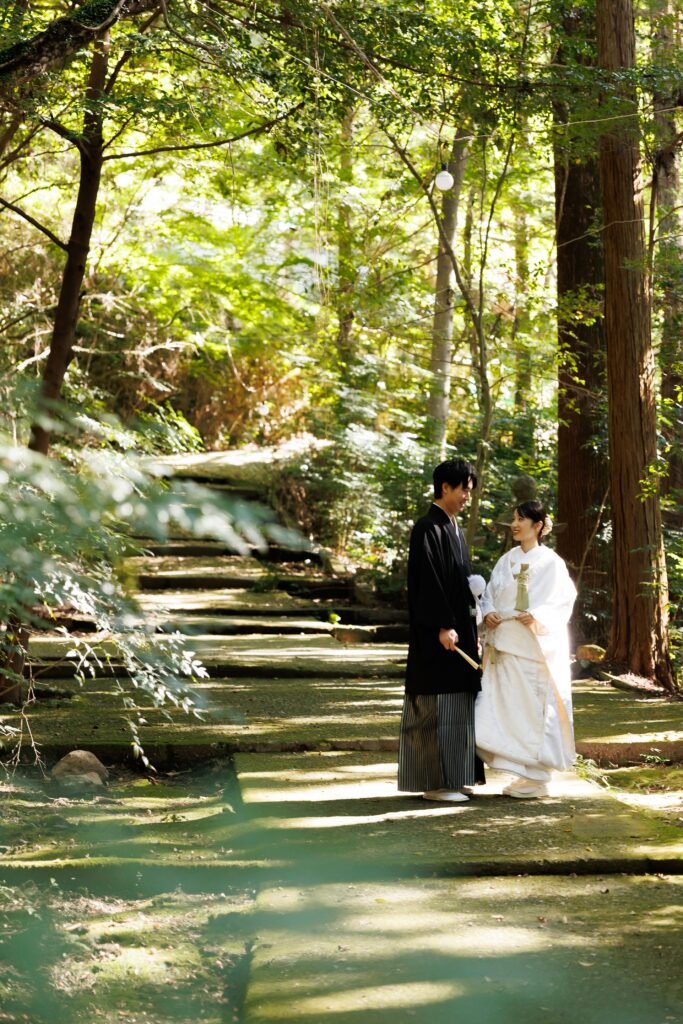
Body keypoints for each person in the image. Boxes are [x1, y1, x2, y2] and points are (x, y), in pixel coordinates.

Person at [475, 500, 577, 799]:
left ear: (539, 526)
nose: (515, 524)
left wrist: (538, 616)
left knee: (532, 710)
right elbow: (490, 594)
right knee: (505, 707)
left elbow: (563, 600)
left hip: (534, 648)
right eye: (514, 518)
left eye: (522, 519)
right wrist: (490, 611)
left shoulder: (552, 562)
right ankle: (522, 772)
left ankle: (537, 775)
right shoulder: (506, 559)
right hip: (505, 643)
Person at [397, 458, 484, 803]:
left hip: (459, 633)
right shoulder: (427, 528)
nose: (467, 496)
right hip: (438, 637)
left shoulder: (454, 528)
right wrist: (443, 625)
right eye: (463, 489)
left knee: (459, 703)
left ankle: (457, 776)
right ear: (445, 487)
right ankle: (435, 782)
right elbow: (427, 585)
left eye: (469, 490)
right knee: (437, 706)